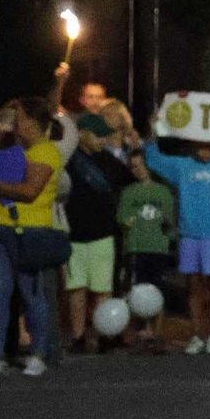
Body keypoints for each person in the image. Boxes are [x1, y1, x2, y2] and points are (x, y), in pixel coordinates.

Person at [0, 98, 66, 377]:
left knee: (31, 294)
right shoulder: (9, 150)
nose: (16, 125)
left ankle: (38, 353)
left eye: (21, 119)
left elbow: (30, 191)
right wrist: (12, 106)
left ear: (33, 123)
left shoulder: (46, 152)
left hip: (30, 233)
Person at [144, 138, 210, 355]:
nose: (206, 151)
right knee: (193, 285)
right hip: (189, 235)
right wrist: (151, 135)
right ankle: (197, 334)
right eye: (203, 146)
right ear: (194, 144)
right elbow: (154, 159)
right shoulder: (181, 165)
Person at [63, 113, 132, 353]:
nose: (103, 139)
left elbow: (133, 178)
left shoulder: (111, 163)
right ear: (82, 134)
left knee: (103, 289)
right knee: (76, 289)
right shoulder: (68, 160)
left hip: (103, 234)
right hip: (74, 235)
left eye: (106, 134)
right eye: (99, 134)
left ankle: (106, 333)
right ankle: (78, 337)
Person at [117, 149, 174, 353]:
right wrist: (128, 222)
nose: (137, 170)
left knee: (157, 291)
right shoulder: (129, 192)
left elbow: (170, 222)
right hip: (136, 248)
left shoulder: (163, 191)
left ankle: (156, 335)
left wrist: (168, 224)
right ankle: (140, 333)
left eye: (140, 165)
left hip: (157, 247)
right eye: (133, 166)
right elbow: (122, 219)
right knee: (137, 292)